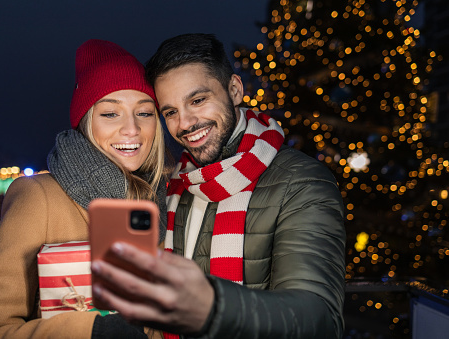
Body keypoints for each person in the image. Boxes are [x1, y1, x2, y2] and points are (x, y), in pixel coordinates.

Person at [90, 33, 346, 338]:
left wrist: (214, 308)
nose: (185, 124)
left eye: (197, 100)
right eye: (170, 112)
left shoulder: (301, 181)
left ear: (234, 90)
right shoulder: (177, 183)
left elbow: (320, 318)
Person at [0, 39, 169, 339]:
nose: (132, 129)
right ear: (86, 121)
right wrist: (90, 331)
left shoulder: (166, 197)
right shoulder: (39, 198)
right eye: (111, 113)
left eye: (145, 113)